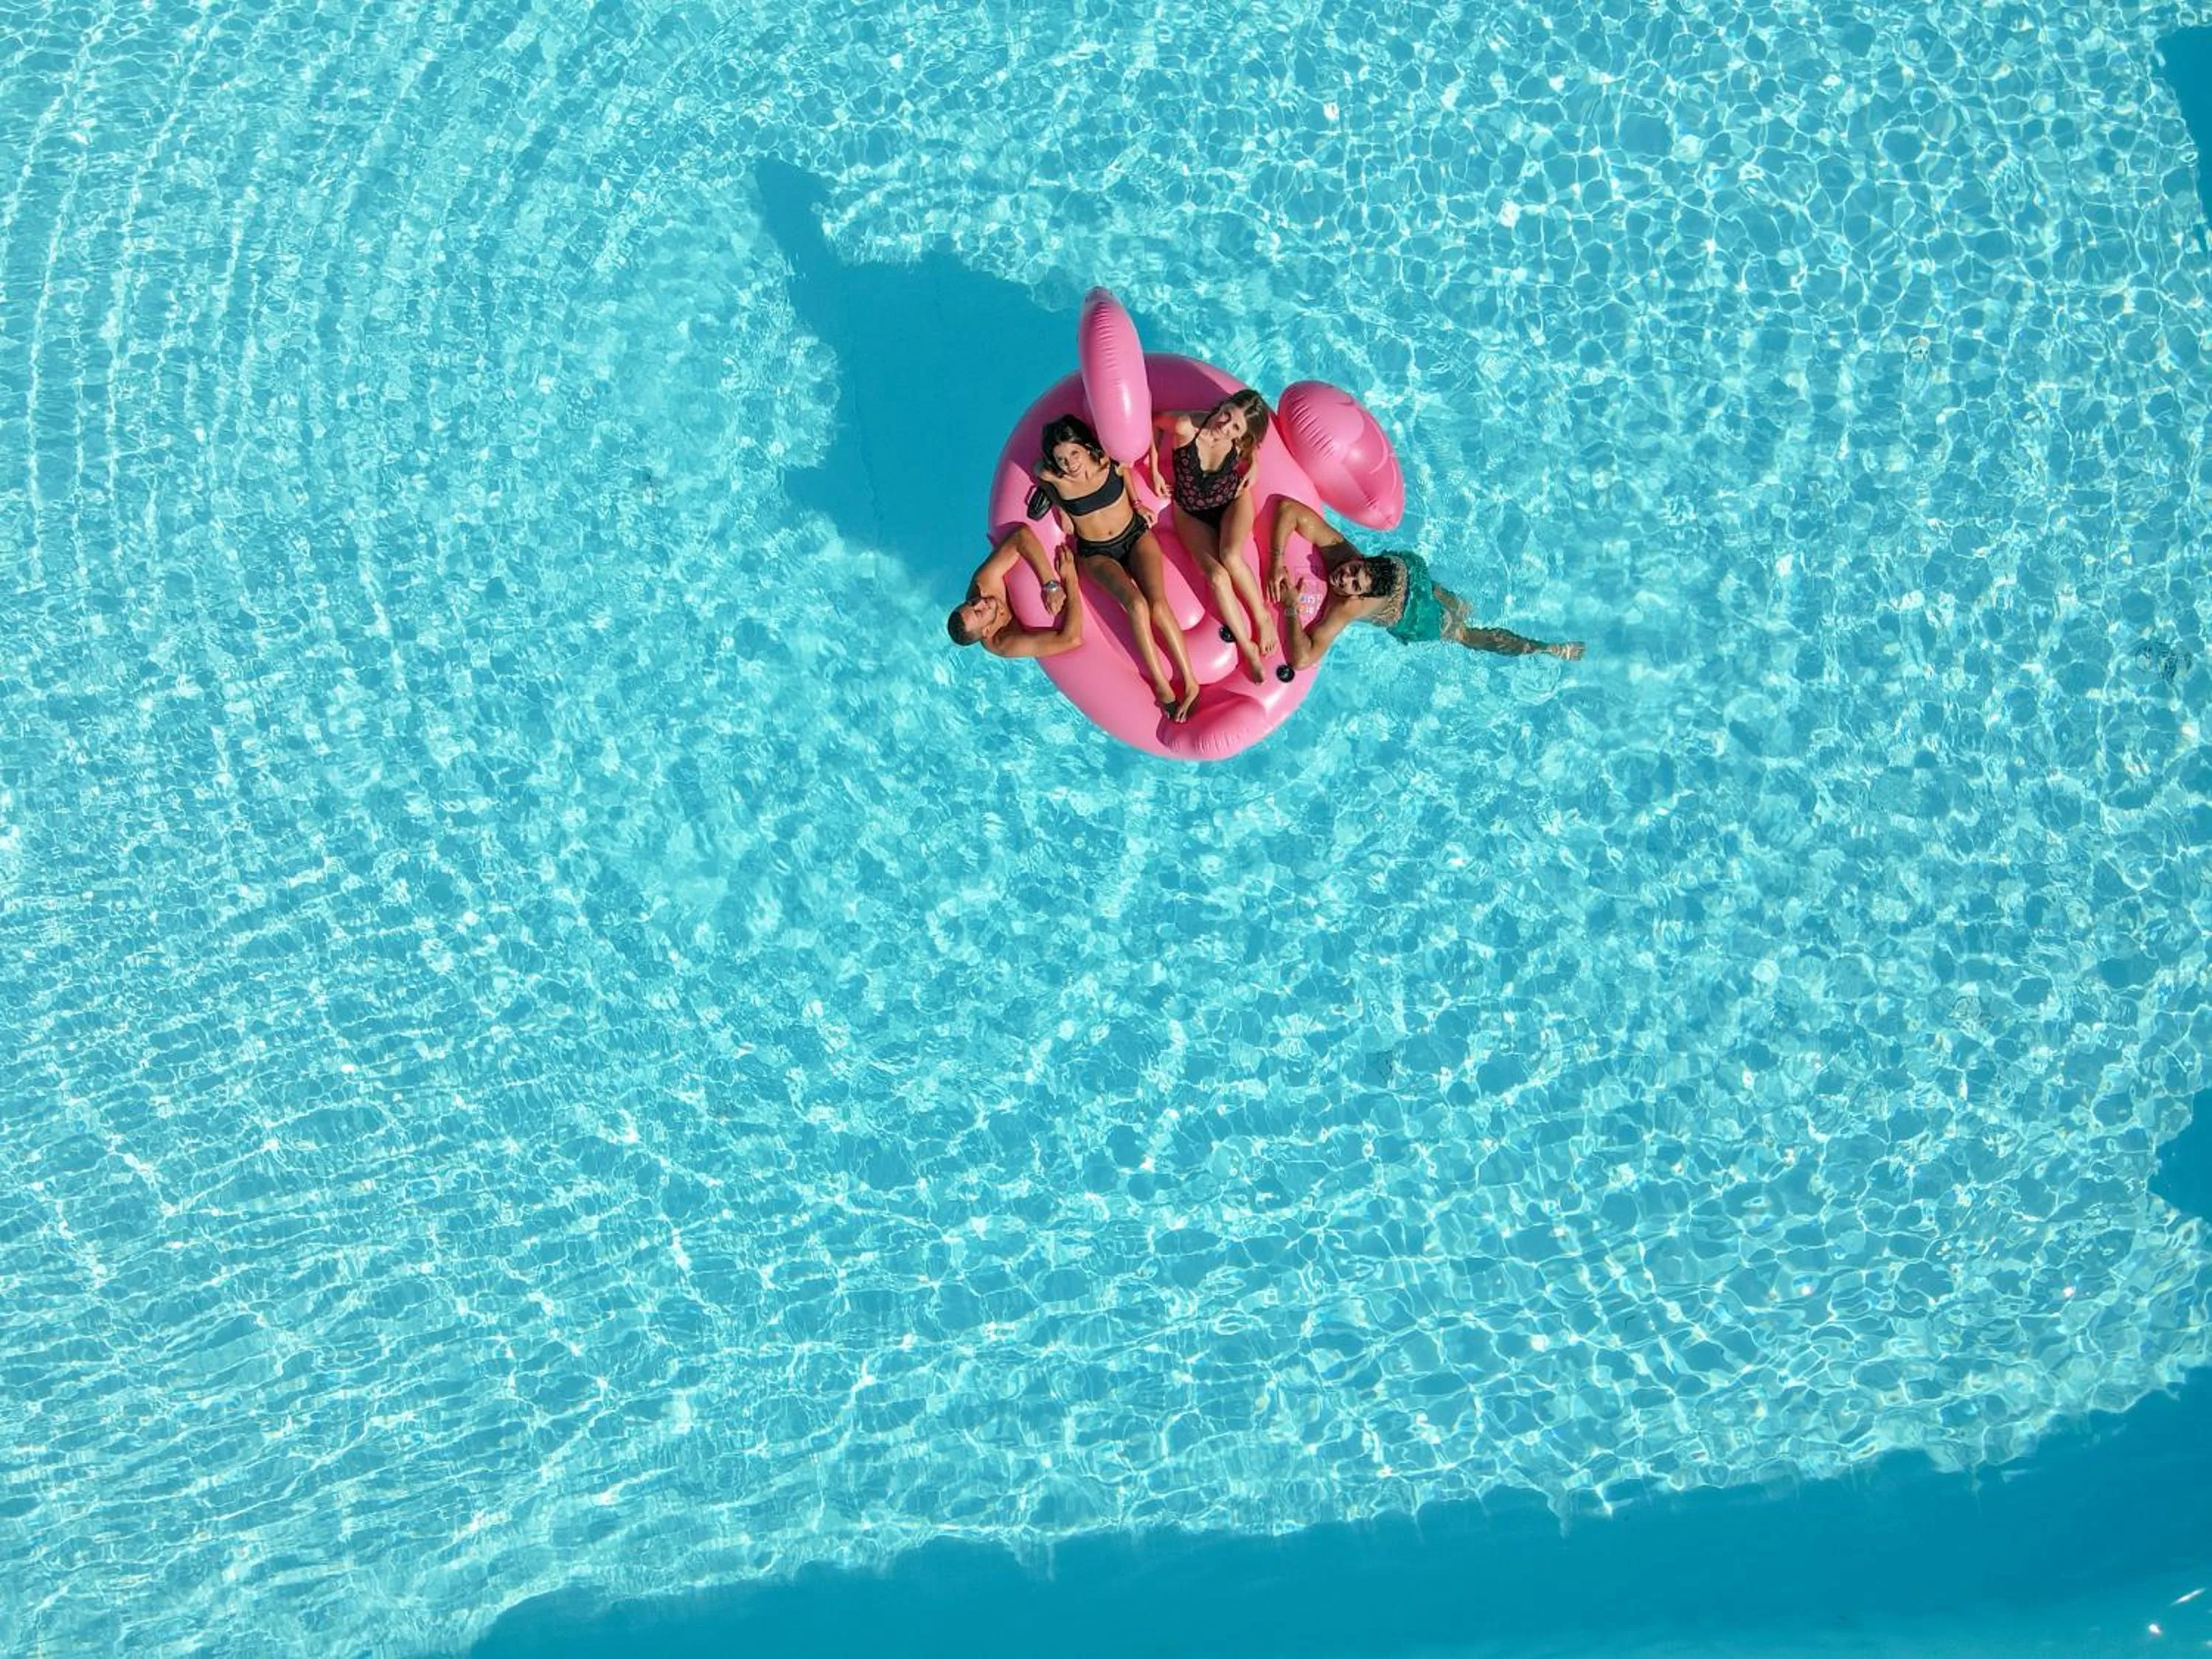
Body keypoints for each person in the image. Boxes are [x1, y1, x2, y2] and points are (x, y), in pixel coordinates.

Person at [1266, 497, 1584, 669]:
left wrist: (1292, 607)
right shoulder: (1342, 552)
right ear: (1359, 559)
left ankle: (1545, 648)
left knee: (1462, 633)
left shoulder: (1346, 606)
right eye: (1352, 571)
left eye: (1353, 583)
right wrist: (1277, 560)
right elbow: (1288, 509)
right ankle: (1453, 600)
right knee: (1439, 594)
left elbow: (1303, 659)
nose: (1343, 577)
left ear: (1360, 594)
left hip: (1413, 616)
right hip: (1406, 568)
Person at [1035, 414, 1200, 720]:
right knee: (1136, 606)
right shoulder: (1056, 477)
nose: (1070, 463)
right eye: (1062, 458)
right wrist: (1059, 504)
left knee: (1159, 607)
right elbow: (1039, 469)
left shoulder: (1108, 461)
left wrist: (1138, 504)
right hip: (1096, 552)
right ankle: (1163, 686)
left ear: (1086, 447)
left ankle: (1191, 683)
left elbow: (1125, 475)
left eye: (1074, 453)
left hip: (1135, 535)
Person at [1152, 390, 1273, 683]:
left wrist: (1255, 465)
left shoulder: (1240, 441)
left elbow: (1251, 442)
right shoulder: (1186, 426)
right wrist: (1154, 469)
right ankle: (1248, 648)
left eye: (1235, 427)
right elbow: (1155, 423)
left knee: (1232, 557)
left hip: (1232, 501)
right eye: (1227, 414)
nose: (1225, 426)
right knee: (1217, 576)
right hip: (1190, 512)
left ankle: (1262, 617)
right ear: (1222, 405)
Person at [946, 525, 1085, 658]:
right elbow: (1071, 640)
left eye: (972, 603)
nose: (981, 601)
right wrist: (1070, 578)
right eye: (979, 612)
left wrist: (1050, 584)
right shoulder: (1003, 643)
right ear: (986, 631)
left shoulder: (983, 584)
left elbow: (1021, 536)